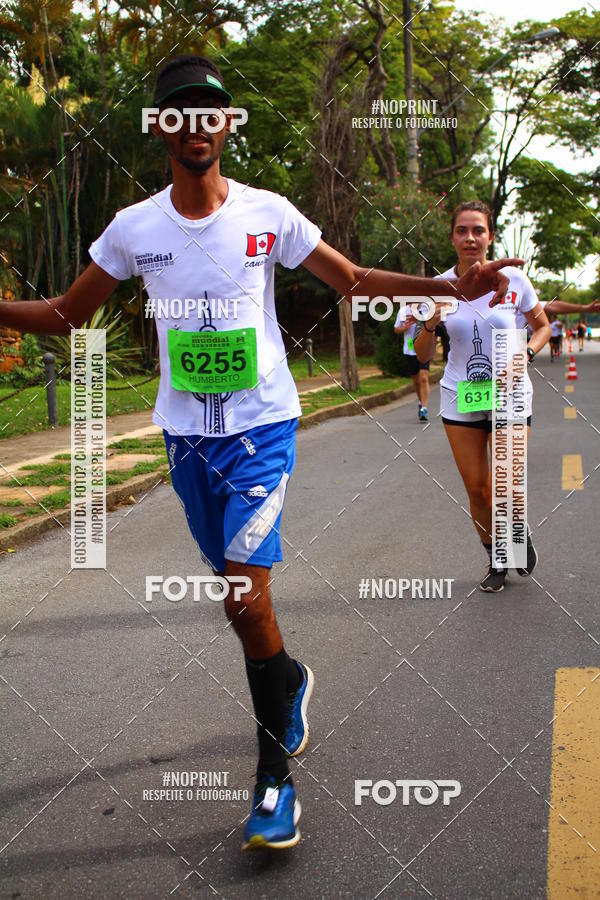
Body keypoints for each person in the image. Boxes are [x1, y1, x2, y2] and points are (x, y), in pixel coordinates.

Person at [0, 56, 521, 850]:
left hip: (263, 431)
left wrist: (449, 287)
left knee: (243, 599)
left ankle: (274, 780)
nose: (197, 124)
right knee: (246, 607)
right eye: (179, 112)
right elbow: (69, 315)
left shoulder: (266, 213)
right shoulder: (135, 229)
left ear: (226, 125)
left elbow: (347, 280)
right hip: (185, 439)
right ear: (163, 130)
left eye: (211, 111)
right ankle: (290, 678)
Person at [414, 200, 551, 593]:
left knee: (506, 482)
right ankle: (495, 555)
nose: (470, 237)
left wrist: (526, 353)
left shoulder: (514, 281)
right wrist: (429, 322)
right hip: (462, 393)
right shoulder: (439, 287)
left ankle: (513, 534)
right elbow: (422, 355)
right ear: (452, 236)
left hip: (510, 391)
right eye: (462, 230)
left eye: (478, 230)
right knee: (477, 487)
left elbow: (541, 326)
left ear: (490, 236)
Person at [394, 305, 431, 421]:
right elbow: (396, 328)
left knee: (424, 377)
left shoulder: (427, 307)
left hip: (424, 348)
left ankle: (424, 407)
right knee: (416, 380)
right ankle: (420, 401)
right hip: (410, 348)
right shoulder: (404, 311)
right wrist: (404, 327)